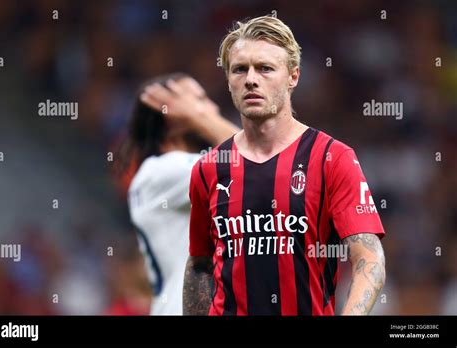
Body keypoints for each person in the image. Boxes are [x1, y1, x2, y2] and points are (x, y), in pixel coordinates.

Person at [184, 16, 386, 316]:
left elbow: (368, 256)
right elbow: (199, 263)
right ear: (228, 80)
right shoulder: (209, 167)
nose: (251, 79)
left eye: (265, 68)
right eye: (240, 69)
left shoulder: (332, 157)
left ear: (293, 77)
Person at [118, 73, 239, 315]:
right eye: (199, 101)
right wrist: (202, 118)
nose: (212, 108)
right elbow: (257, 161)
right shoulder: (157, 173)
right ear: (170, 115)